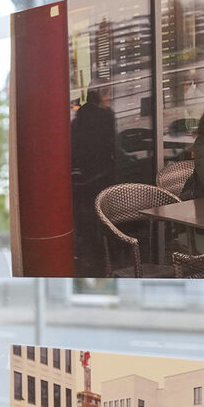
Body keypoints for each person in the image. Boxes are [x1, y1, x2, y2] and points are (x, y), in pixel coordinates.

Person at [71, 82, 119, 277]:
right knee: (104, 220)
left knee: (89, 221)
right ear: (101, 97)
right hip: (103, 176)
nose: (109, 99)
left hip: (84, 179)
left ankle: (94, 258)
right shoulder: (107, 117)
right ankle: (108, 257)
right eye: (107, 94)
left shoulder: (78, 120)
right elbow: (112, 146)